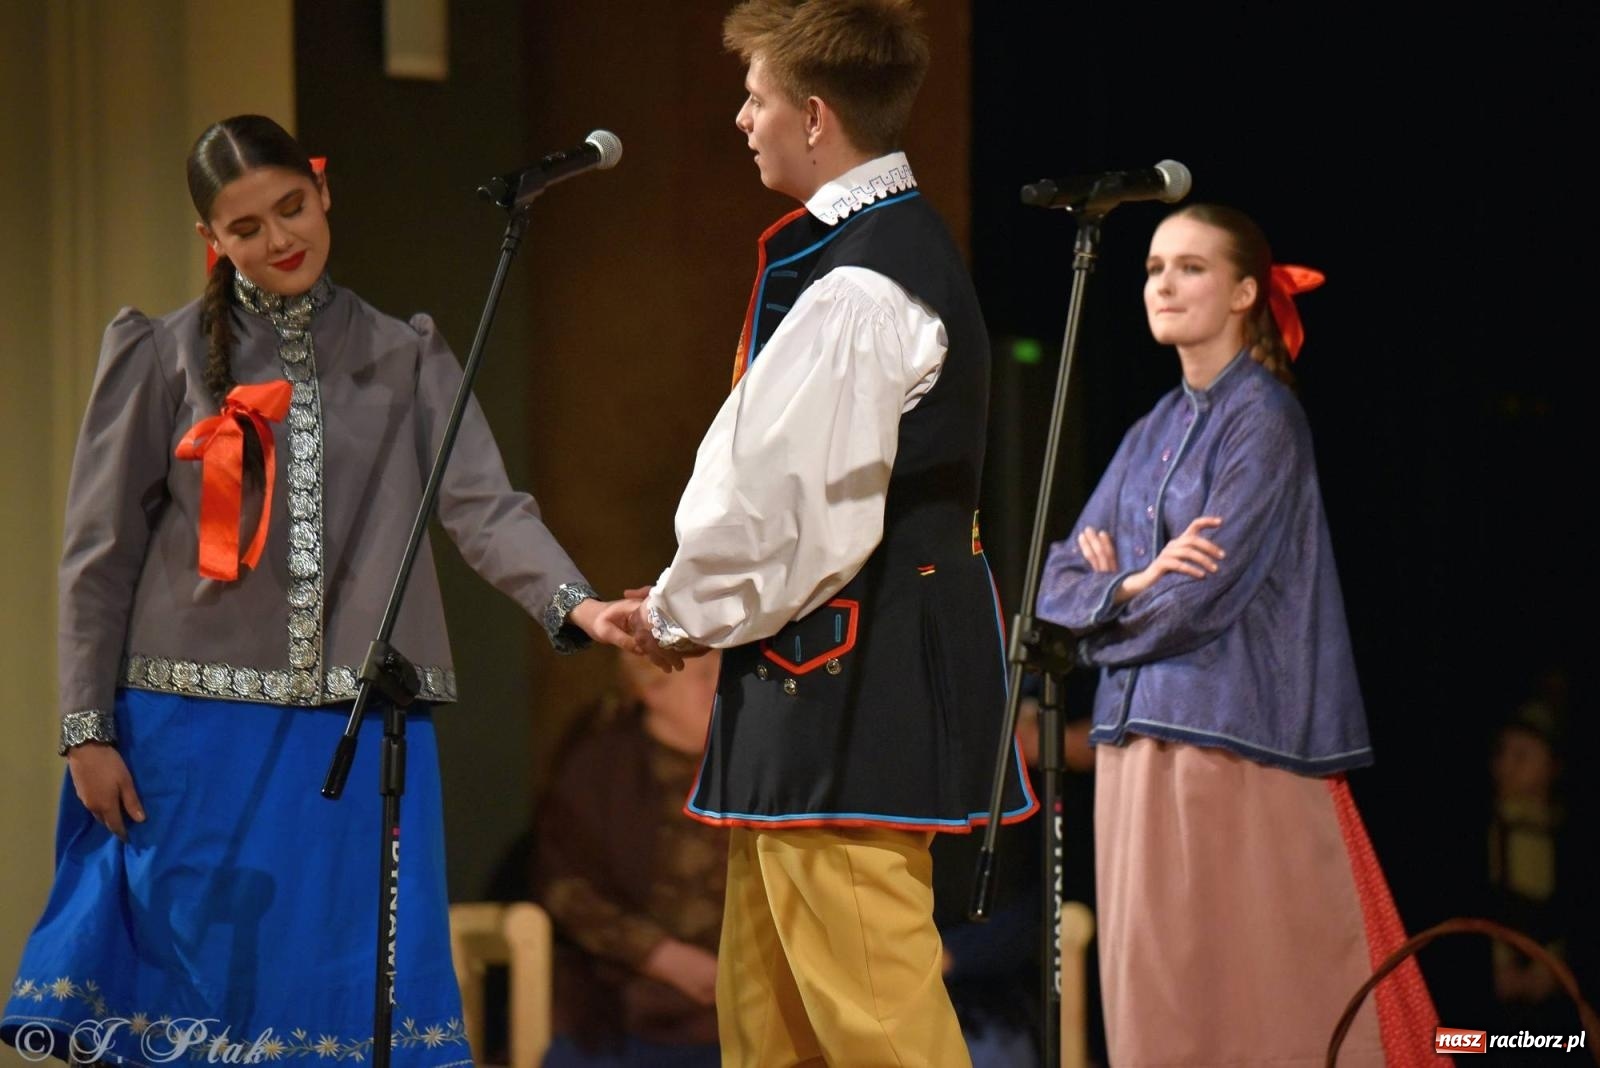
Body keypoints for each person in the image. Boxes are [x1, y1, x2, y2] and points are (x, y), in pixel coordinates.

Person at [0, 114, 634, 1067]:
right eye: (246, 227)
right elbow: (98, 557)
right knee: (194, 1007)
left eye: (291, 207)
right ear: (214, 241)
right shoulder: (160, 355)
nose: (279, 238)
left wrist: (578, 605)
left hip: (352, 729)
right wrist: (87, 729)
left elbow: (485, 508)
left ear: (325, 190)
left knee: (335, 1009)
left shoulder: (408, 355)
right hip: (182, 742)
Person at [624, 3, 1036, 1065]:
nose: (741, 118)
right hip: (816, 688)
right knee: (773, 1024)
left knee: (874, 1020)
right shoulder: (864, 256)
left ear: (814, 116)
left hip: (849, 685)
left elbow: (794, 512)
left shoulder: (862, 283)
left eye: (755, 97)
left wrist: (680, 609)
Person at [1036, 203, 1441, 1065]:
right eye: (1153, 268)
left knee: (1256, 994)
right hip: (1132, 744)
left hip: (1232, 739)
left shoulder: (1264, 419)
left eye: (1190, 267)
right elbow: (1055, 585)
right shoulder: (1151, 430)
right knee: (1155, 996)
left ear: (1245, 292)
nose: (1164, 284)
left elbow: (1203, 600)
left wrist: (1103, 618)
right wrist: (1130, 581)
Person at [533, 649, 726, 1068]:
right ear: (653, 688)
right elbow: (564, 888)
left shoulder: (757, 766)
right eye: (706, 674)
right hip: (625, 1017)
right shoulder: (600, 769)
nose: (722, 687)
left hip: (746, 1011)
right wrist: (664, 957)